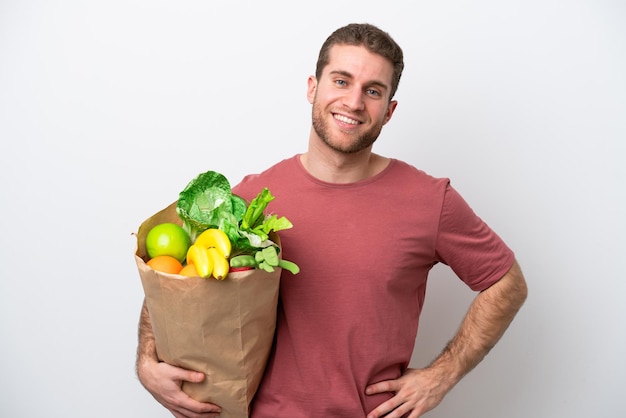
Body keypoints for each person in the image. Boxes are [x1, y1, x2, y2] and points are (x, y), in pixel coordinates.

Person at [136, 23, 528, 418]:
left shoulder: (429, 201)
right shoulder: (250, 202)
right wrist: (147, 362)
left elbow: (506, 283)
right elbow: (174, 277)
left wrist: (442, 375)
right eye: (341, 81)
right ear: (312, 87)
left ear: (389, 110)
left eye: (373, 90)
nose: (354, 102)